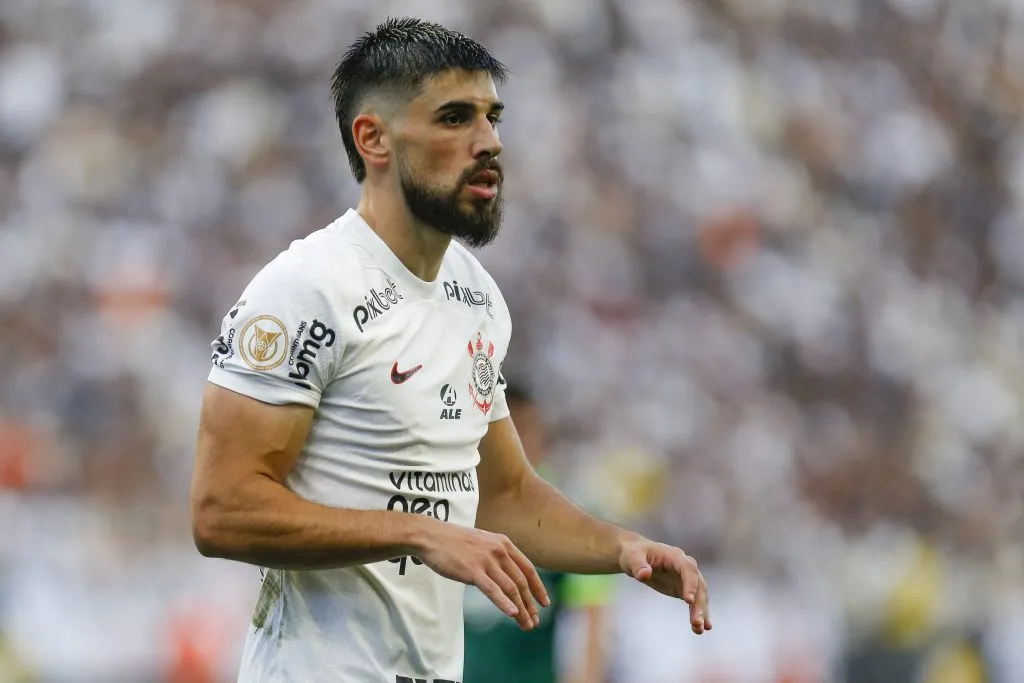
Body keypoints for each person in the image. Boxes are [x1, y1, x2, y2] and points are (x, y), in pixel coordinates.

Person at [189, 17, 711, 683]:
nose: (488, 142)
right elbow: (220, 509)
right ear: (373, 138)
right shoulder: (305, 290)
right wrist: (419, 530)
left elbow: (504, 493)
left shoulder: (475, 297)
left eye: (492, 118)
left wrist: (623, 547)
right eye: (455, 118)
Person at [463, 381, 616, 683]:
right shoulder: (455, 503)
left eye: (525, 430)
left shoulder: (573, 515)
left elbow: (592, 623)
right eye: (510, 430)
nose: (517, 443)